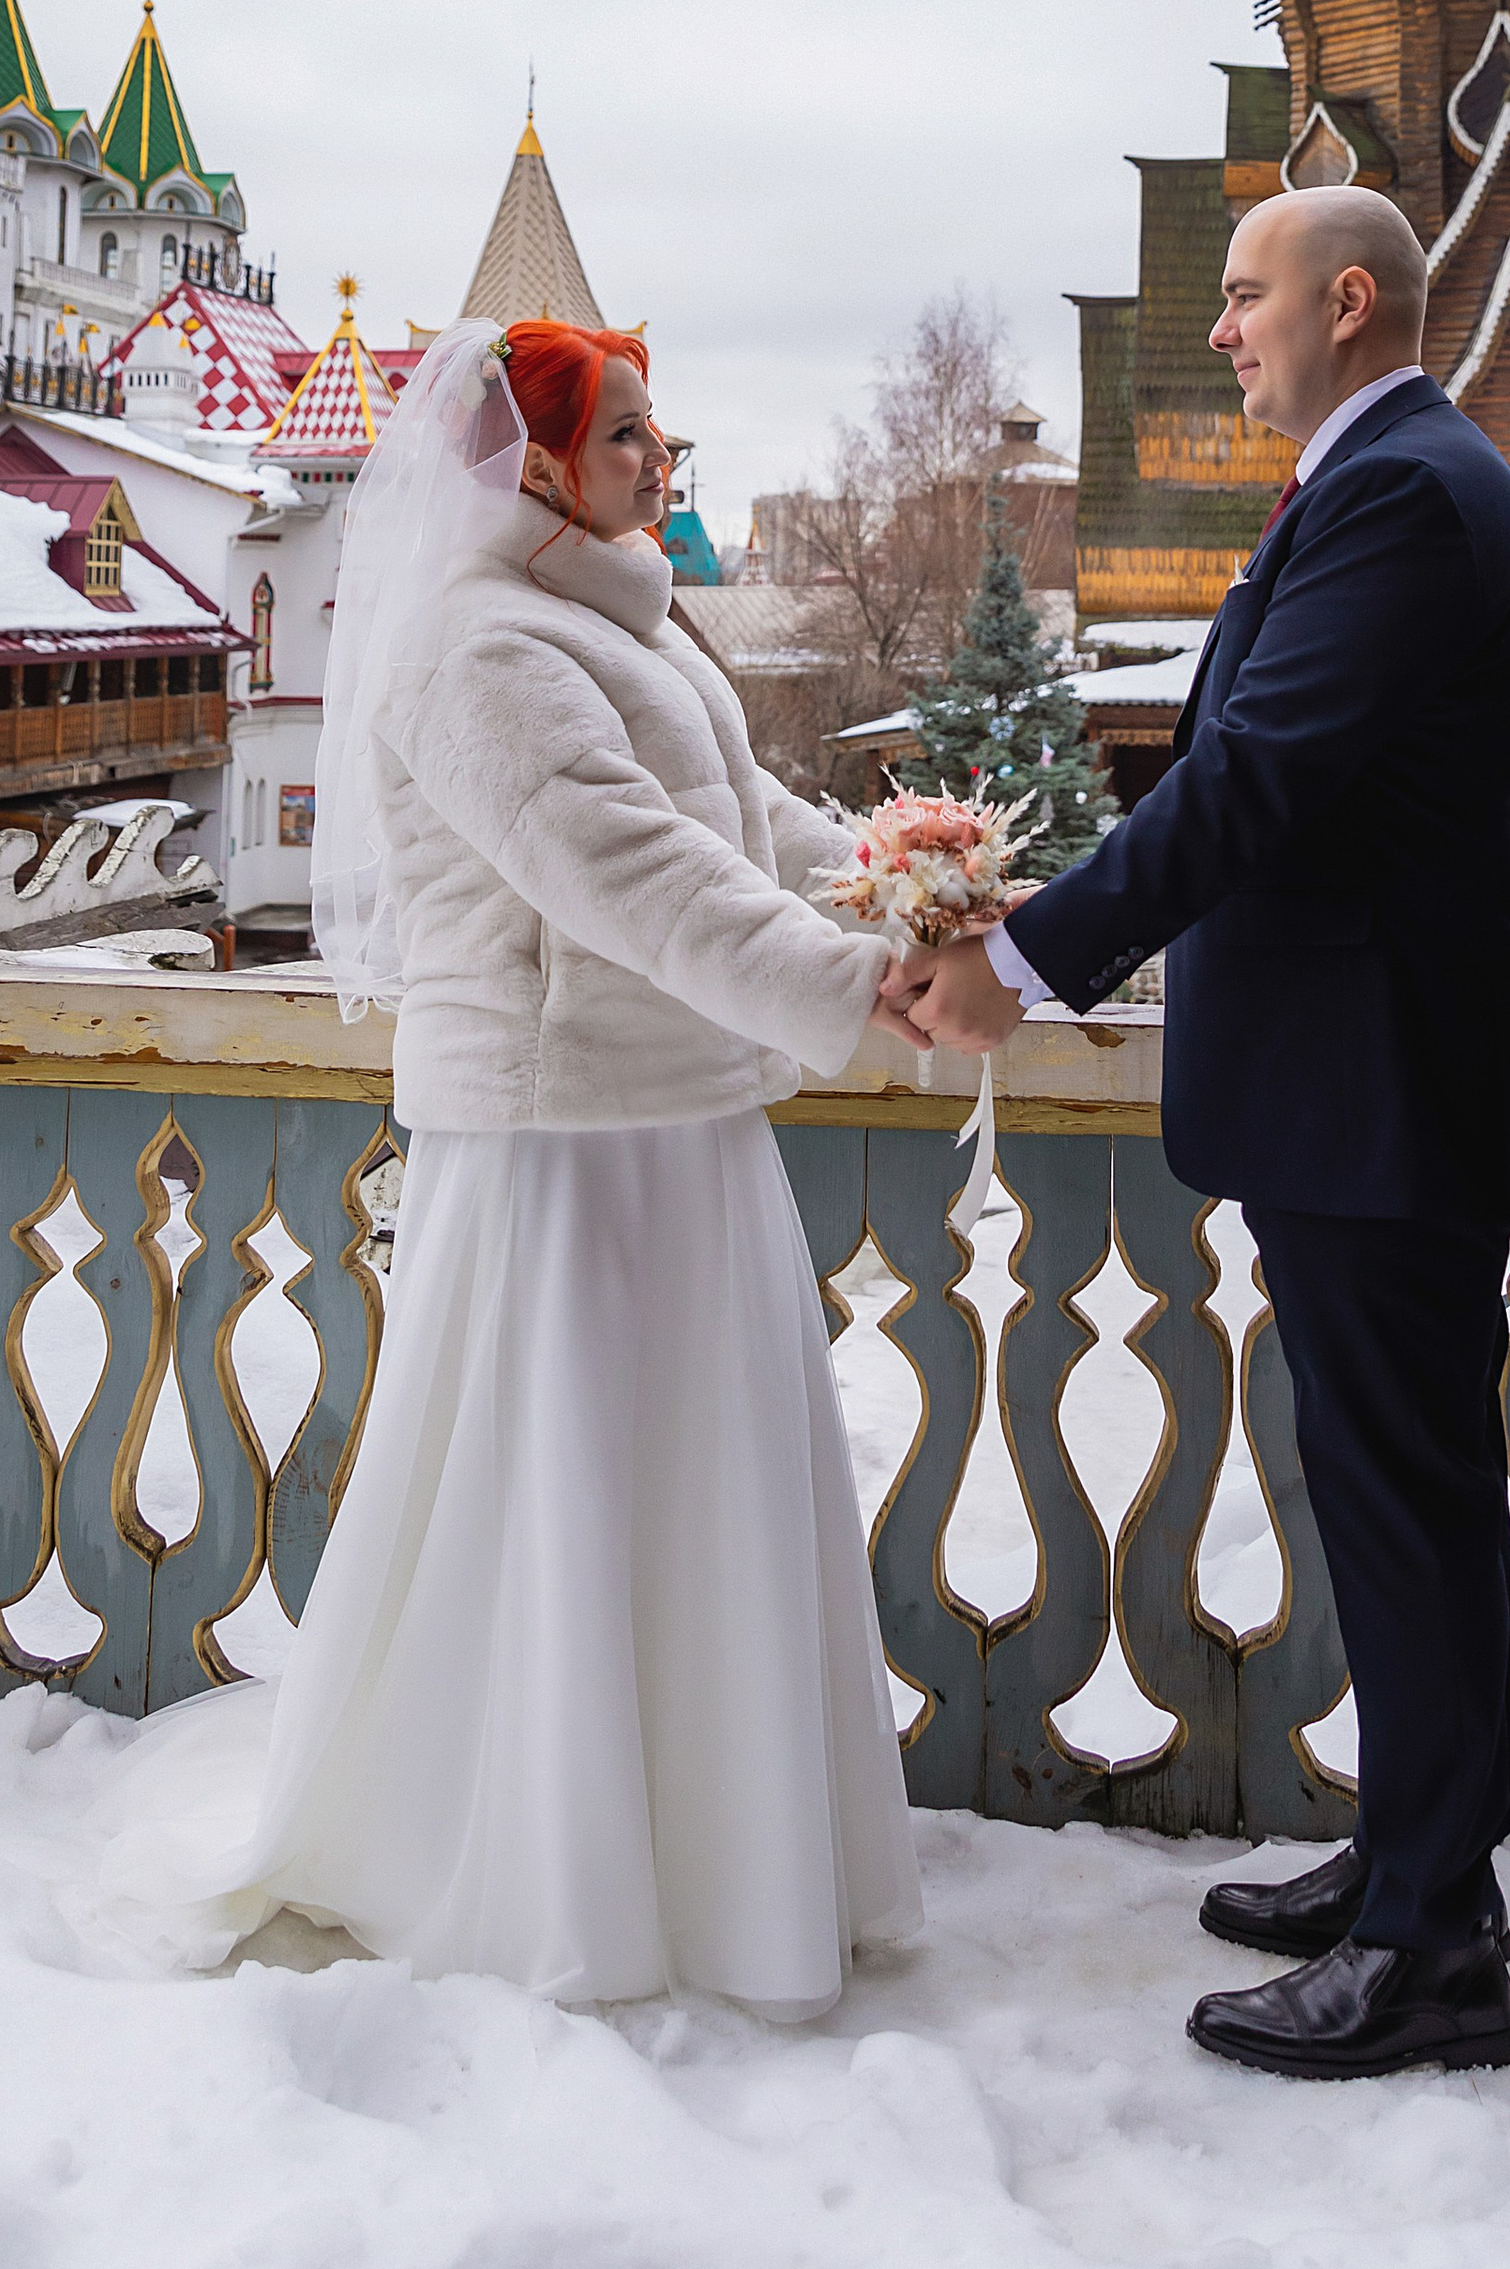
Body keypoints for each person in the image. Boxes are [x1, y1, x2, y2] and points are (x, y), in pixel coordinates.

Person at [107, 314, 920, 2015]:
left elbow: (746, 826)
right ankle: (559, 1877)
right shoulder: (473, 645)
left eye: (660, 430)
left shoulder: (631, 622)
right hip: (560, 1146)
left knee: (695, 1503)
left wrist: (912, 888)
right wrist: (857, 983)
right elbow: (621, 867)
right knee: (569, 1503)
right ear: (535, 461)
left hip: (682, 1124)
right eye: (627, 433)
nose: (659, 459)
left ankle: (725, 1859)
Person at [888, 187, 1510, 2081]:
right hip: (1370, 1078)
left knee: (1405, 1494)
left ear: (1347, 301)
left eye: (1242, 294)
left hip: (1394, 1083)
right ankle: (1414, 1862)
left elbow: (1255, 772)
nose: (1218, 329)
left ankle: (1434, 1944)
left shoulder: (1407, 490)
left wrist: (1018, 962)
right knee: (1390, 1485)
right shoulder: (1390, 477)